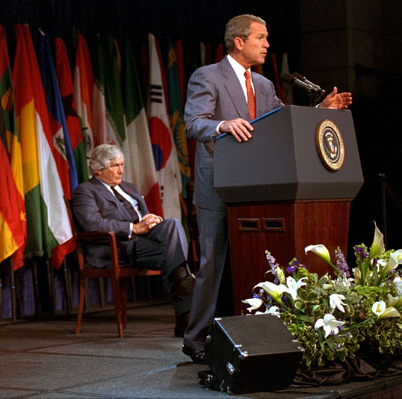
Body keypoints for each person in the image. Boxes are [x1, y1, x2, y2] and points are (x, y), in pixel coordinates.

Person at [182, 14, 352, 362]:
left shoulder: (262, 84)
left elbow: (280, 123)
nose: (267, 44)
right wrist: (224, 124)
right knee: (213, 263)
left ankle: (261, 334)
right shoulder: (208, 76)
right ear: (239, 41)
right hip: (218, 183)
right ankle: (195, 337)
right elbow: (193, 123)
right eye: (261, 37)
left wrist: (320, 110)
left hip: (257, 186)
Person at [72, 144, 194, 336]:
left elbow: (142, 217)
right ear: (97, 169)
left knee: (172, 225)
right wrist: (133, 228)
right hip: (117, 247)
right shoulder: (86, 191)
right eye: (115, 166)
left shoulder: (129, 188)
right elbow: (91, 223)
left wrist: (150, 220)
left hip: (145, 239)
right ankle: (184, 314)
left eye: (122, 164)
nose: (121, 170)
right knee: (174, 256)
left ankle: (183, 312)